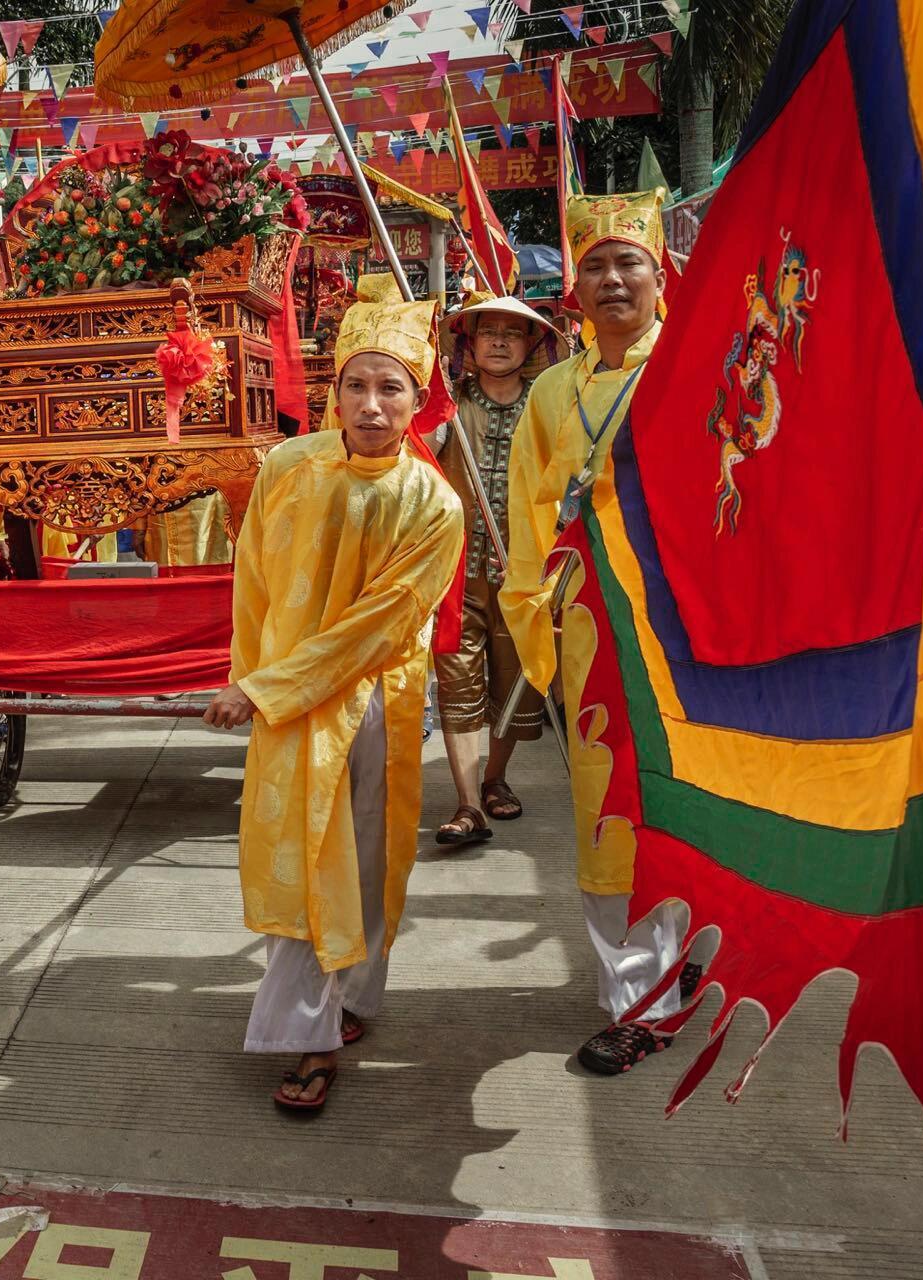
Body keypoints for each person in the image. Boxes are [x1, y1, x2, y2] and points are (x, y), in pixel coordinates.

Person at [205, 290, 463, 1114]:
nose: (372, 406)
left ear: (418, 400)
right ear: (334, 391)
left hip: (373, 702)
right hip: (286, 703)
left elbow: (381, 626)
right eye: (358, 386)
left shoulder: (435, 505)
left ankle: (349, 1002)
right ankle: (306, 1033)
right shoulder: (286, 468)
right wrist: (249, 674)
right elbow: (254, 591)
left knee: (366, 864)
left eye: (392, 388)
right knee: (307, 866)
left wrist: (265, 688)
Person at [500, 189, 697, 1076]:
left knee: (686, 802)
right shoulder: (548, 393)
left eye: (630, 262)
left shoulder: (695, 365)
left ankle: (675, 954)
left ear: (662, 276)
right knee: (608, 814)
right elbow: (525, 522)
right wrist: (536, 627)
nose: (612, 279)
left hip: (686, 632)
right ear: (571, 286)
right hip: (590, 630)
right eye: (594, 264)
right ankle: (642, 1002)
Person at [430, 296, 557, 846]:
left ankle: (494, 779)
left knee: (513, 682)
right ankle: (465, 804)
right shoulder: (448, 405)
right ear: (470, 343)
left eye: (513, 332)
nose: (500, 341)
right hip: (457, 574)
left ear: (531, 346)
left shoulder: (547, 405)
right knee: (457, 684)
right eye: (489, 332)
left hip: (525, 573)